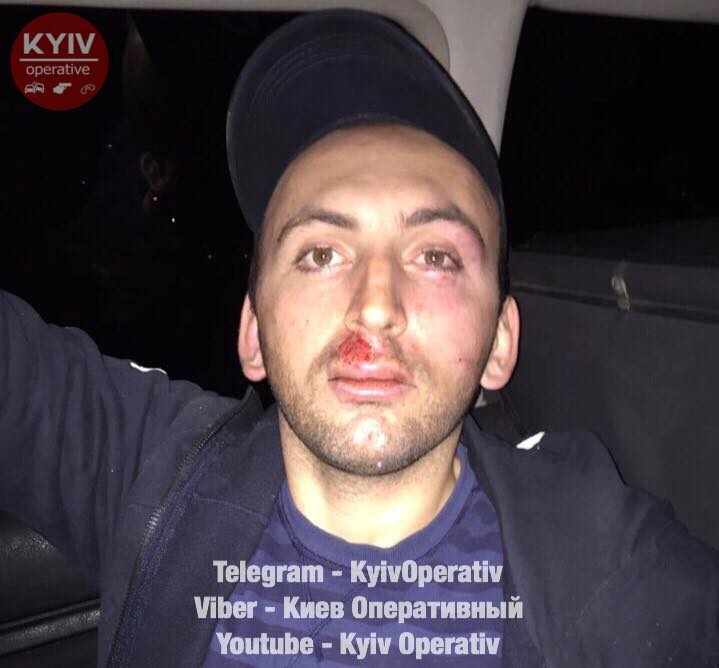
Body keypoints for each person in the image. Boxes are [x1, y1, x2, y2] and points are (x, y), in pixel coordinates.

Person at [0, 9, 717, 668]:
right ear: (253, 332)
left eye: (434, 257)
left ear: (500, 342)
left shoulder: (609, 561)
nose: (375, 308)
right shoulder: (153, 470)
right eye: (320, 253)